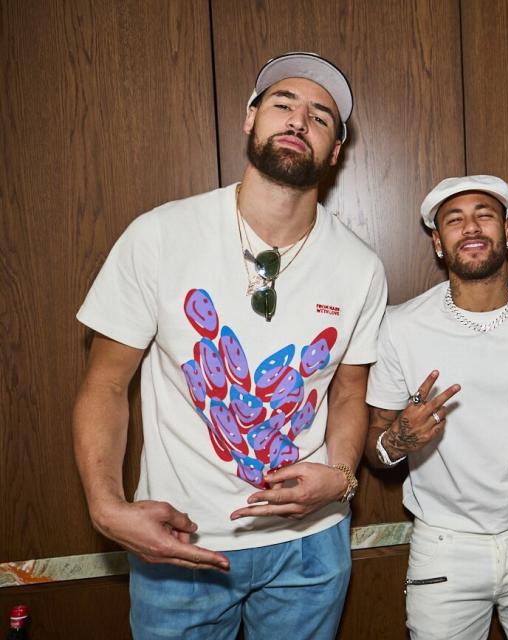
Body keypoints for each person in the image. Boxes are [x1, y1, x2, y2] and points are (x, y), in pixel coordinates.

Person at [72, 52, 387, 639]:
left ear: (336, 151)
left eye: (321, 117)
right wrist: (105, 505)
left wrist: (342, 476)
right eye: (283, 105)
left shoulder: (361, 267)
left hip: (309, 548)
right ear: (250, 120)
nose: (299, 121)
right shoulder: (160, 235)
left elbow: (349, 390)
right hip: (179, 543)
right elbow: (105, 384)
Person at [364, 175, 508, 639]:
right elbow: (375, 444)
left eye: (485, 215)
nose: (471, 228)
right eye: (454, 220)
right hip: (443, 544)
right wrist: (397, 441)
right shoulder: (401, 326)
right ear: (438, 242)